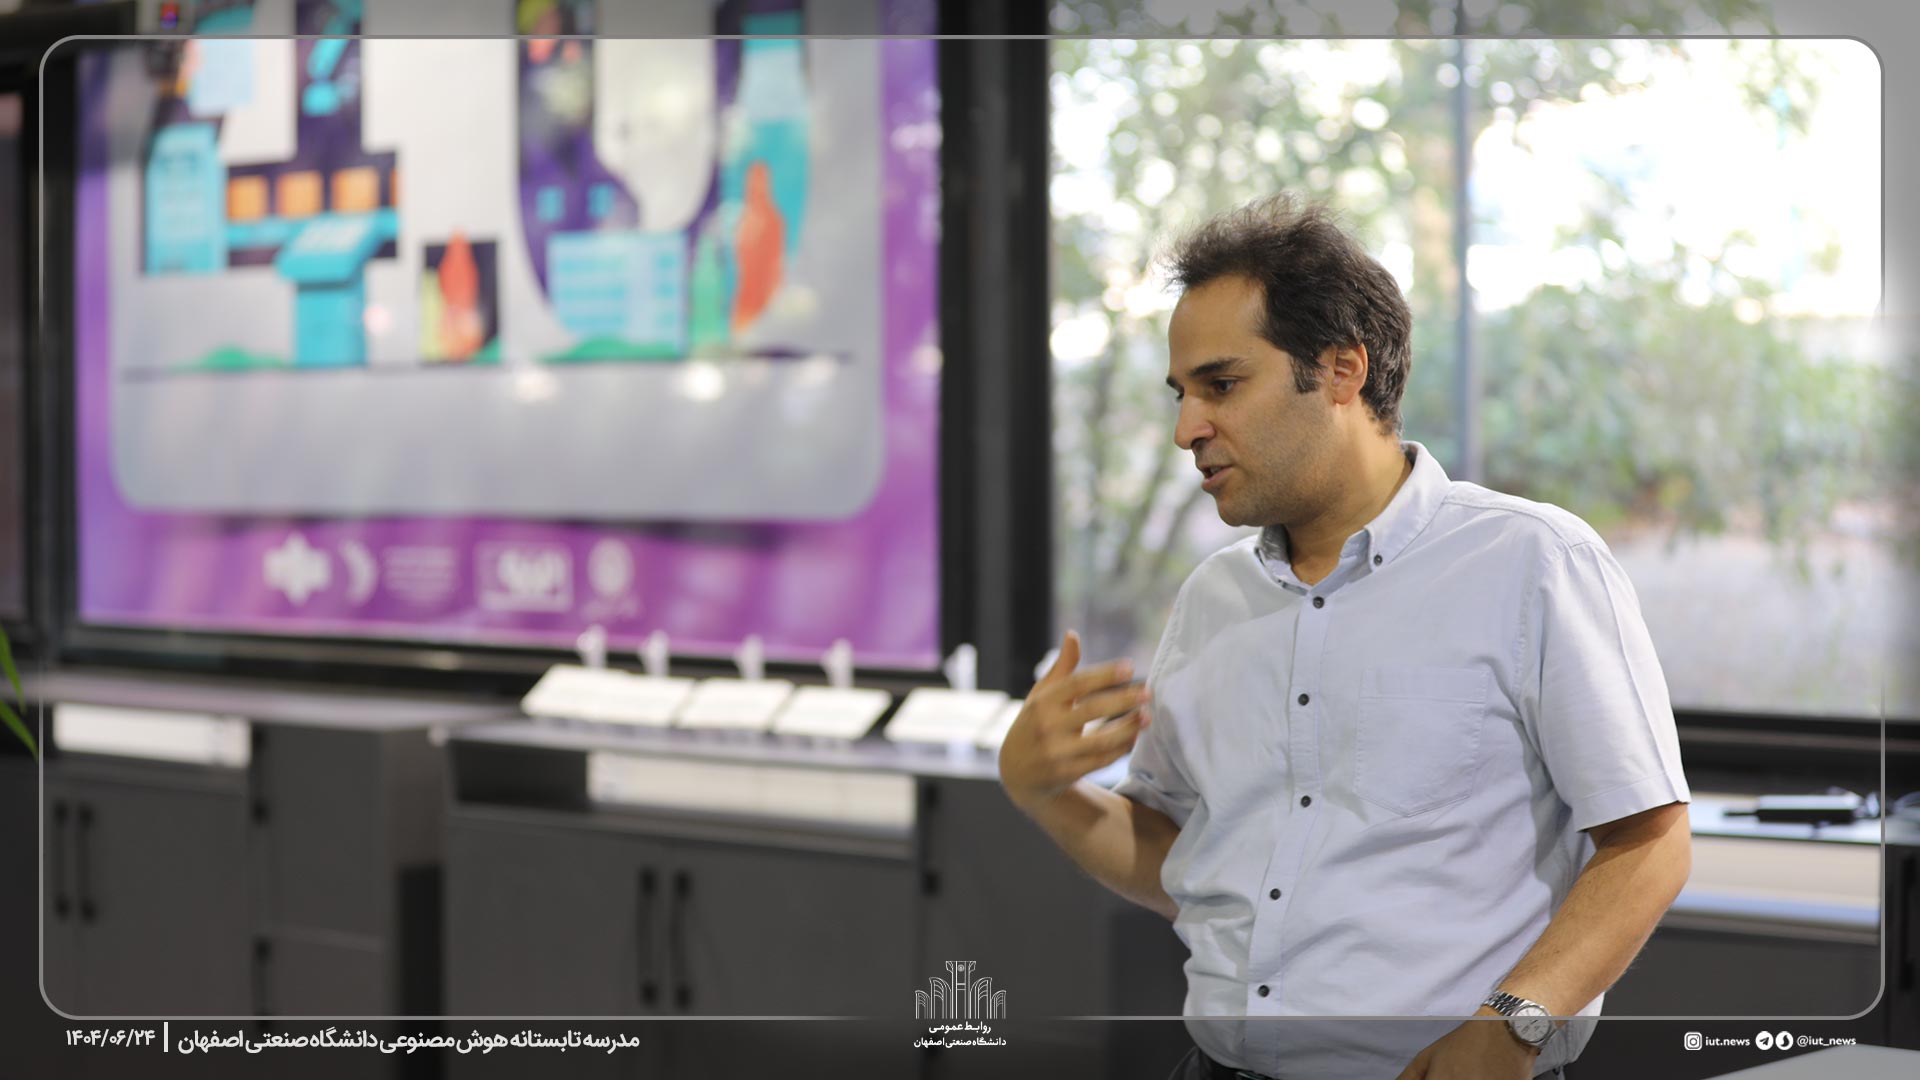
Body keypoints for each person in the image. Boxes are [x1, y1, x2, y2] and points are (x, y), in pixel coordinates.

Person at [997, 192, 1693, 1080]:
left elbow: (1650, 842)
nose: (1185, 430)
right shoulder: (1214, 599)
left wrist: (1514, 1023)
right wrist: (1039, 789)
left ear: (1341, 369)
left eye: (1221, 385)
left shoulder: (1532, 561)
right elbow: (1182, 855)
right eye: (1182, 395)